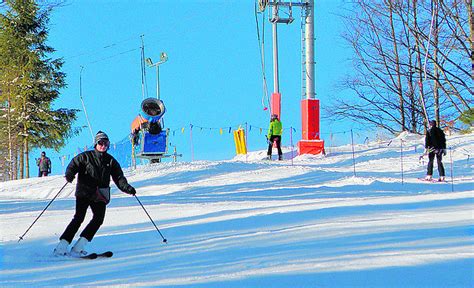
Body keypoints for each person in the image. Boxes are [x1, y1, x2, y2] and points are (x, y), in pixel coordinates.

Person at [53, 131, 137, 257]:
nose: (103, 145)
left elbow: (119, 177)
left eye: (106, 143)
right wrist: (70, 174)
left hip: (100, 195)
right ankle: (62, 246)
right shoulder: (86, 156)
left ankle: (79, 246)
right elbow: (73, 165)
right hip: (84, 191)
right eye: (100, 143)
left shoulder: (110, 161)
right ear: (96, 144)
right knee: (79, 218)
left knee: (98, 219)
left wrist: (127, 188)